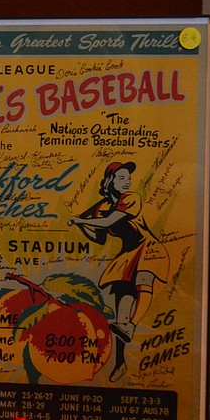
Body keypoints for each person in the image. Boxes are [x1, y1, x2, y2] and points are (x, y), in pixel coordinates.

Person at [69, 161, 169, 382]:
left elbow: (109, 222)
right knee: (121, 307)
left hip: (148, 248)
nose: (128, 182)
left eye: (128, 178)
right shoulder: (101, 207)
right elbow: (99, 236)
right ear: (109, 181)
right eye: (122, 178)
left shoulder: (132, 199)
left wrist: (82, 219)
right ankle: (121, 362)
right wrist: (82, 225)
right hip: (126, 255)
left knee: (143, 280)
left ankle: (131, 326)